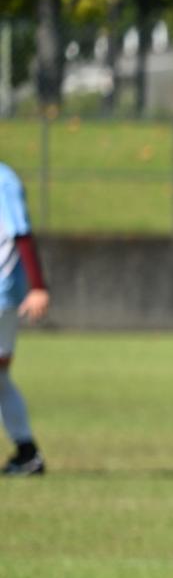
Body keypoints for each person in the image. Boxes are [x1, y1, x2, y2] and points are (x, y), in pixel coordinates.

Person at [0, 161, 51, 476]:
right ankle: (27, 452)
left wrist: (38, 286)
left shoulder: (3, 180)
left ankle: (27, 452)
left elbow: (21, 232)